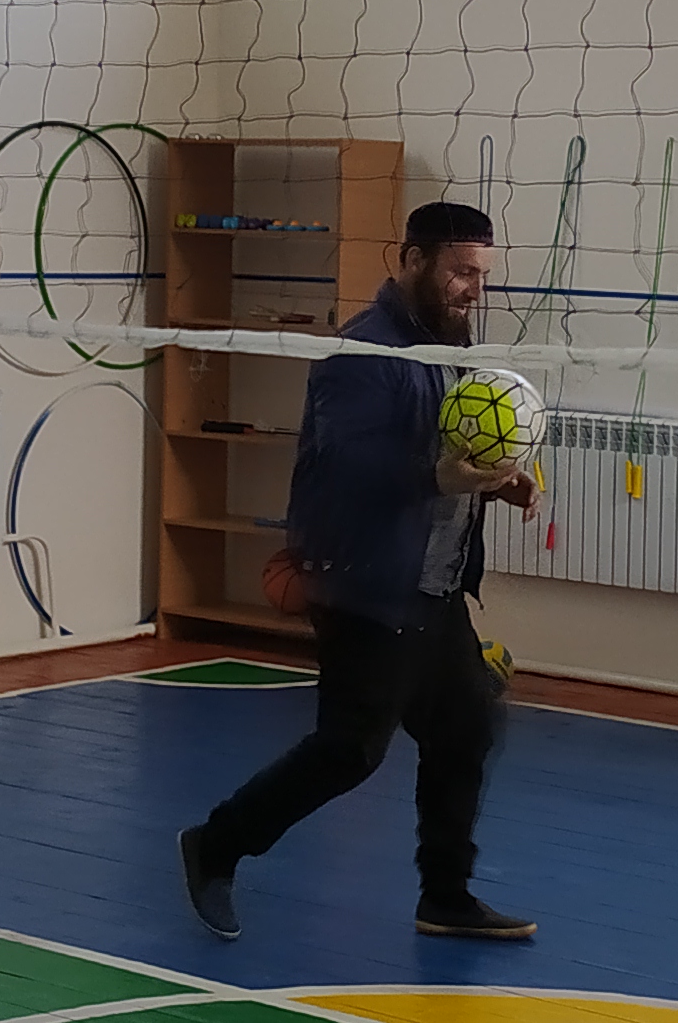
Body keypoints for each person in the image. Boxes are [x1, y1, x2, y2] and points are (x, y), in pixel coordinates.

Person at [178, 201, 540, 943]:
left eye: (482, 275)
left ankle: (446, 896)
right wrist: (437, 477)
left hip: (432, 588)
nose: (474, 289)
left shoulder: (448, 346)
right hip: (367, 586)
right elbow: (349, 469)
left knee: (467, 726)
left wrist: (498, 480)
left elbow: (451, 447)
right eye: (460, 272)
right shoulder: (362, 354)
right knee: (349, 751)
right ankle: (215, 844)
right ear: (411, 261)